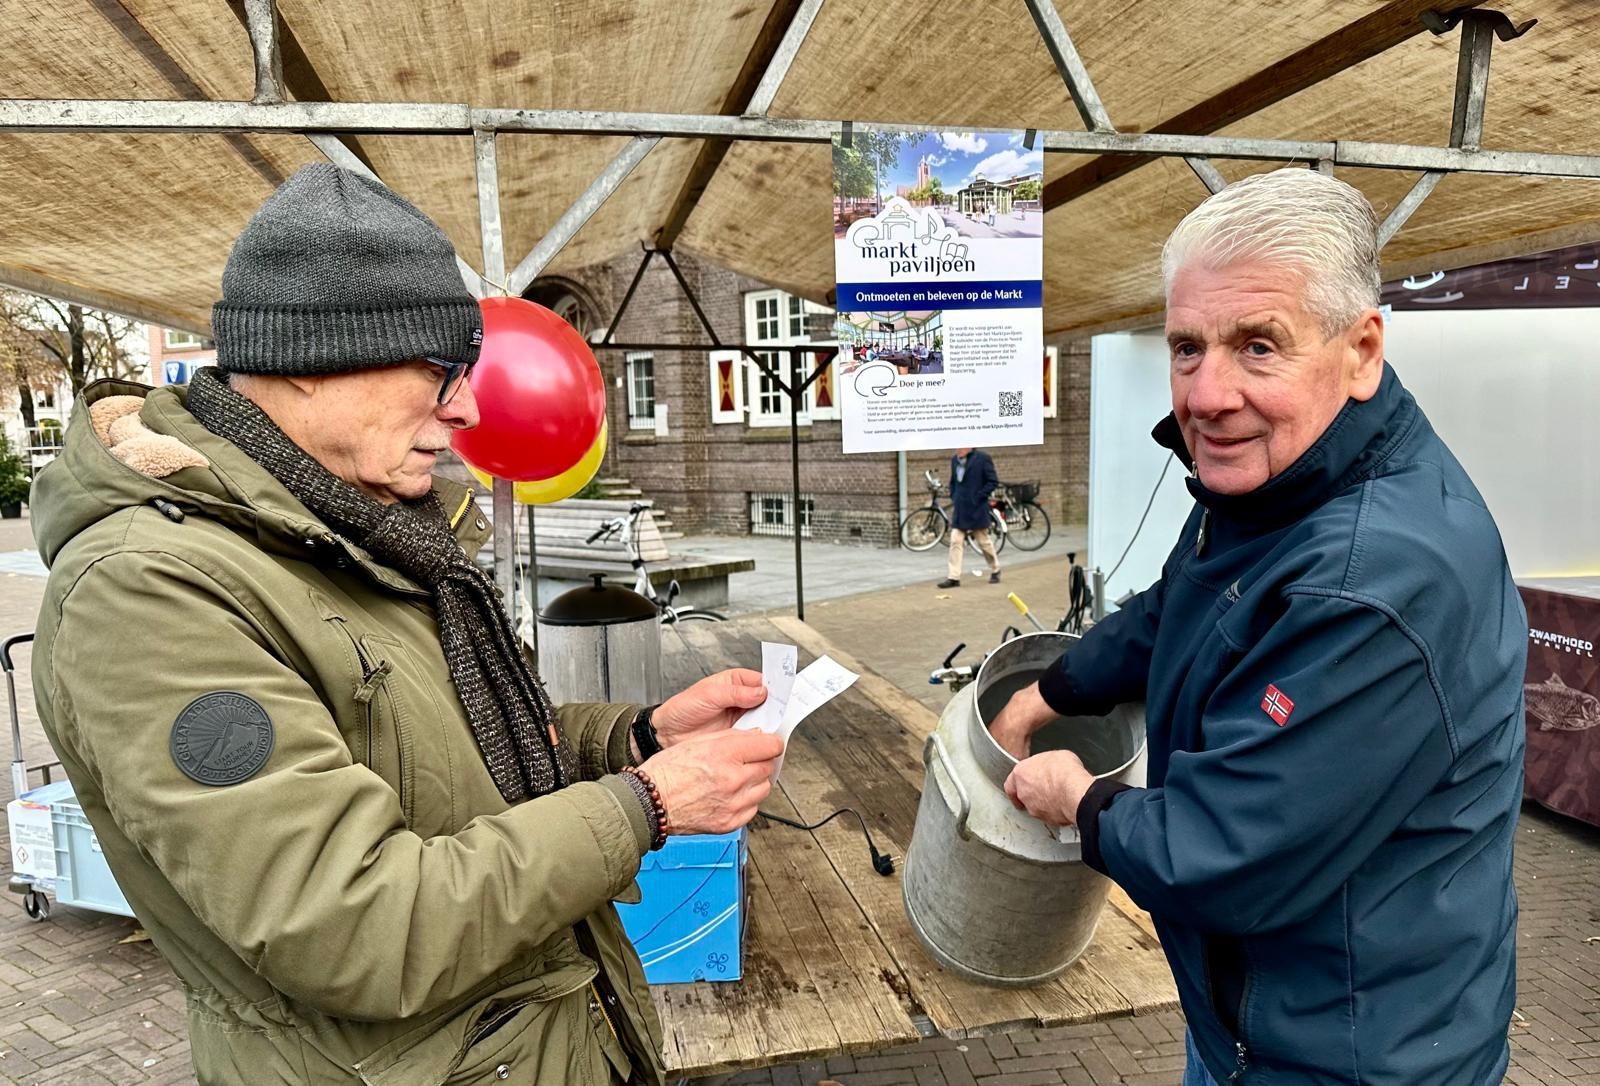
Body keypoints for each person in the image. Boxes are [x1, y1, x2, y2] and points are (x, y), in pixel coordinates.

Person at [29, 163, 785, 1085]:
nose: (467, 408)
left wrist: (636, 738)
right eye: (441, 369)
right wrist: (651, 803)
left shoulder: (352, 522)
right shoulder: (148, 595)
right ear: (312, 363)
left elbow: (454, 752)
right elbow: (355, 923)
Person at [989, 168, 1525, 1085]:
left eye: (1258, 346)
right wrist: (1049, 690)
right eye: (1187, 348)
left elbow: (1222, 855)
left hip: (1348, 1054)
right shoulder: (1278, 485)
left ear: (1361, 352)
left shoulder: (1372, 583)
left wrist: (1078, 797)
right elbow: (1180, 606)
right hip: (1256, 1021)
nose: (1206, 395)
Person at [937, 446, 1000, 588]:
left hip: (976, 507)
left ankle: (995, 569)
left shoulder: (983, 459)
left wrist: (979, 496)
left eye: (961, 446)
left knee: (983, 542)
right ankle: (953, 577)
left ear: (970, 446)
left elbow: (993, 481)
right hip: (961, 508)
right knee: (955, 541)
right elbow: (954, 481)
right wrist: (954, 495)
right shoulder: (954, 460)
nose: (957, 449)